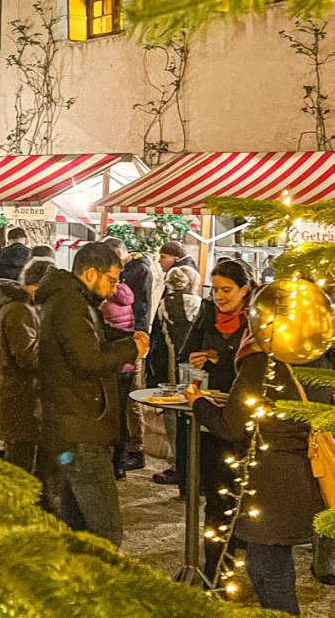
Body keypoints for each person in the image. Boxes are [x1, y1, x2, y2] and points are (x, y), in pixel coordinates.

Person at [184, 342, 322, 614]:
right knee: (264, 563)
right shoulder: (316, 357)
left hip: (269, 478)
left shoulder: (262, 363)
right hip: (303, 474)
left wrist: (197, 402)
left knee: (269, 570)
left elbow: (230, 427)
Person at [36, 242, 149, 545]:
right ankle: (99, 589)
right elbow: (88, 359)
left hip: (74, 425)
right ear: (90, 273)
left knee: (78, 527)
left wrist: (126, 338)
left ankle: (74, 586)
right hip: (81, 428)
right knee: (106, 532)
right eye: (111, 280)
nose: (114, 289)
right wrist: (131, 348)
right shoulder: (69, 304)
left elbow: (93, 338)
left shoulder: (74, 301)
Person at [179, 258, 254, 581]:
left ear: (244, 290)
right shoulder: (207, 315)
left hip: (245, 417)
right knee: (215, 496)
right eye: (215, 290)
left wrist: (222, 357)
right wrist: (195, 359)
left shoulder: (256, 321)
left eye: (227, 290)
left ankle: (237, 560)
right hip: (210, 415)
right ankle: (215, 568)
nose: (219, 296)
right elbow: (186, 354)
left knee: (241, 496)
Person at [0, 256, 51, 474]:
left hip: (21, 398)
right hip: (21, 399)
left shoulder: (21, 306)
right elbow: (28, 357)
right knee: (21, 463)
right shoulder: (20, 310)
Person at [148, 262, 201, 487]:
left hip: (170, 369)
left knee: (172, 417)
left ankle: (176, 463)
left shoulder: (164, 306)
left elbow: (157, 342)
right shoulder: (200, 306)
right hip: (195, 369)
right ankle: (195, 465)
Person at [102, 236, 153, 471]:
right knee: (128, 405)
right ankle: (128, 454)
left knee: (120, 407)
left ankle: (124, 455)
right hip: (132, 351)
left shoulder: (108, 300)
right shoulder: (127, 292)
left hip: (120, 356)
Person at [100, 280, 137, 480]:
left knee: (113, 416)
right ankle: (120, 464)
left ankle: (113, 464)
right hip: (128, 366)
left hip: (113, 366)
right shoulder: (128, 301)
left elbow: (105, 337)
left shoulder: (106, 306)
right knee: (122, 415)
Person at [0, 228, 31, 314]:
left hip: (2, 307)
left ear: (8, 242)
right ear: (26, 241)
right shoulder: (32, 258)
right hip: (27, 308)